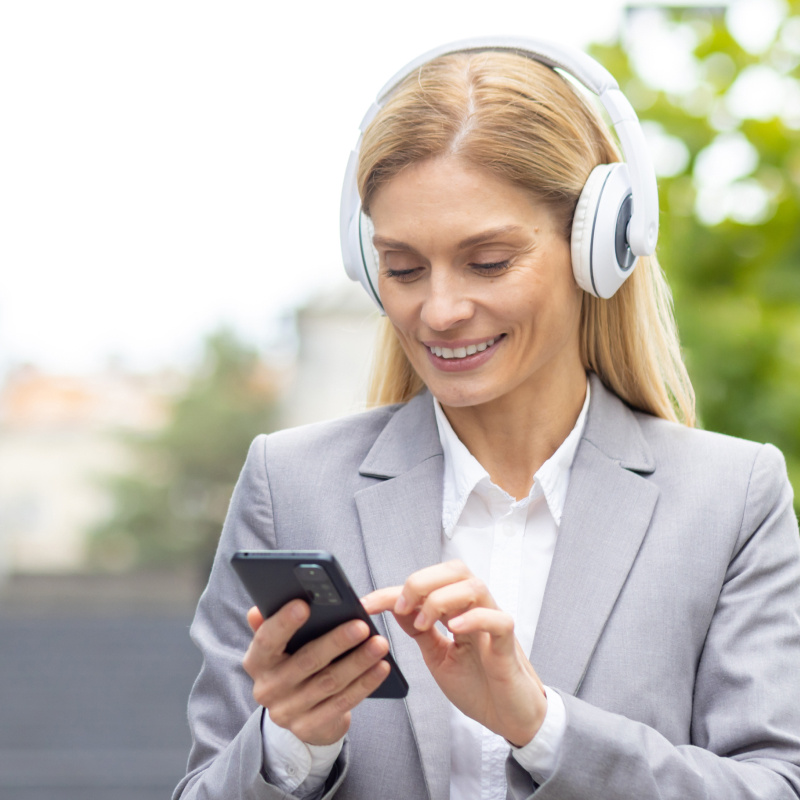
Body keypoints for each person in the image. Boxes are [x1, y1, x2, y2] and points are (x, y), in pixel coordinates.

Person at [173, 38, 800, 800]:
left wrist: (543, 727)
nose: (437, 311)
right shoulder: (291, 484)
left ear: (597, 245)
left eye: (489, 261)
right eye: (403, 268)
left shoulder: (730, 499)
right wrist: (291, 746)